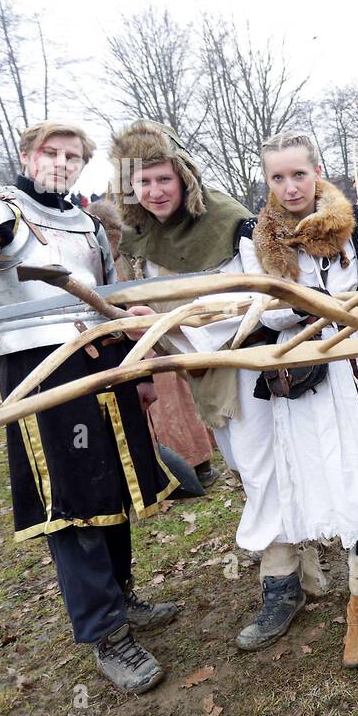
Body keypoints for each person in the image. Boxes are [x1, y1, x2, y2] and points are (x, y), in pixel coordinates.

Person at [0, 120, 177, 694]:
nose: (61, 163)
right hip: (39, 369)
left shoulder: (85, 221)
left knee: (112, 486)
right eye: (51, 153)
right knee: (74, 494)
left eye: (73, 156)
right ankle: (104, 630)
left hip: (99, 359)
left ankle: (121, 594)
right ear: (28, 155)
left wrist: (136, 368)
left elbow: (111, 297)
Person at [225, 131, 358, 664]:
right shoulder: (257, 238)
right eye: (277, 177)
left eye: (298, 173)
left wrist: (350, 309)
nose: (290, 186)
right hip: (307, 371)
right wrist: (310, 306)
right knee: (342, 477)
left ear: (317, 171)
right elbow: (265, 308)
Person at [107, 120, 252, 491]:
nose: (154, 192)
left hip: (242, 355)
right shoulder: (137, 234)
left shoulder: (223, 218)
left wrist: (168, 321)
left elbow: (243, 300)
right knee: (235, 455)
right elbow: (134, 296)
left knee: (255, 451)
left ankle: (285, 541)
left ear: (184, 177)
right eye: (142, 182)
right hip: (187, 360)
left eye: (163, 179)